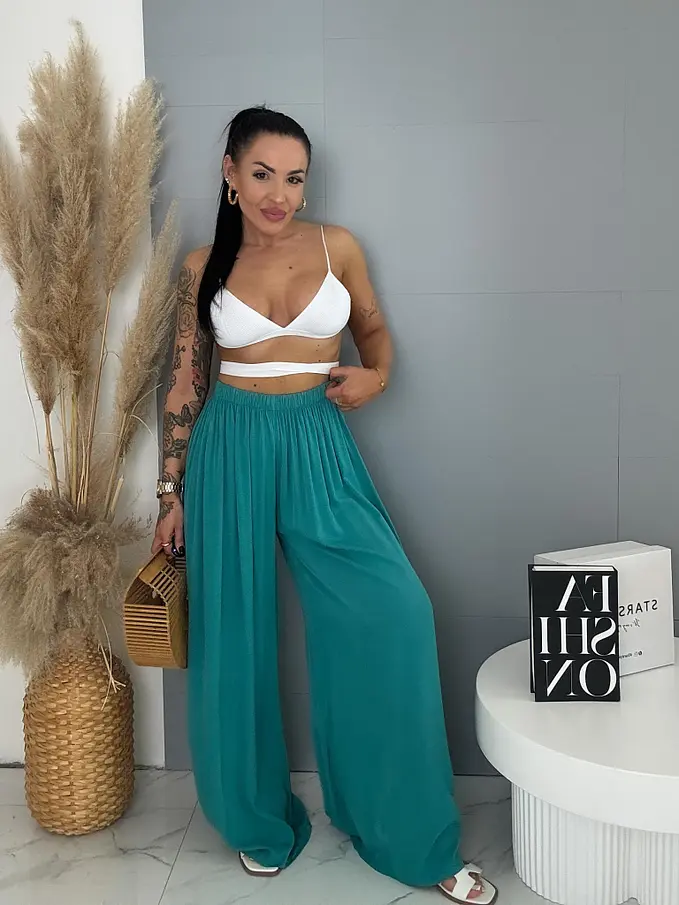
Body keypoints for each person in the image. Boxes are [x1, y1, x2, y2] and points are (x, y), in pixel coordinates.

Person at [152, 106, 497, 905]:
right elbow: (183, 382)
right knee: (232, 639)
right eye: (262, 174)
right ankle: (256, 821)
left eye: (294, 177)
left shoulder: (338, 246)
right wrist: (170, 490)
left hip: (316, 437)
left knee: (395, 611)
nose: (279, 194)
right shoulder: (201, 264)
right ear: (230, 175)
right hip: (230, 447)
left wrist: (377, 376)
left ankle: (408, 833)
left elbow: (375, 335)